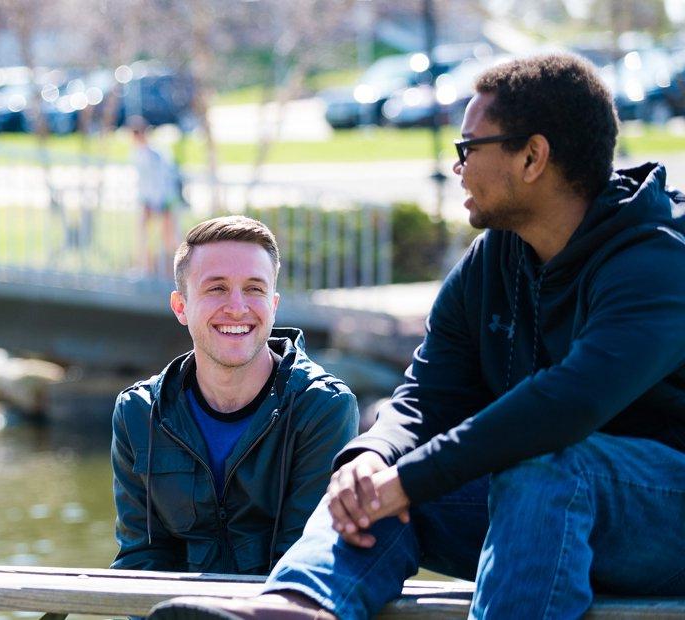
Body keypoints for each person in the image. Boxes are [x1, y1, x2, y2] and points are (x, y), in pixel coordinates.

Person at [149, 53, 685, 620]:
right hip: (541, 510)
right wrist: (375, 455)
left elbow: (567, 405)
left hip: (662, 520)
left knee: (543, 465)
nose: (456, 167)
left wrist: (411, 476)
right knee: (368, 488)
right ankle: (299, 605)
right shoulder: (495, 258)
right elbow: (428, 394)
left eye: (468, 148)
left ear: (532, 157)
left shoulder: (658, 261)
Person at [112, 215, 359, 576]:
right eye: (217, 288)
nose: (238, 307)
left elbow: (303, 562)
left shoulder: (322, 407)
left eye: (255, 289)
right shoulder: (139, 412)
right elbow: (141, 559)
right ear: (180, 307)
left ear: (273, 305)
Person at [130, 117, 184, 276]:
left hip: (164, 200)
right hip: (149, 201)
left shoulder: (157, 154)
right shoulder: (137, 154)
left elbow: (164, 179)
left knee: (170, 238)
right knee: (142, 234)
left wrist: (160, 202)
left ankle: (180, 270)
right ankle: (145, 267)